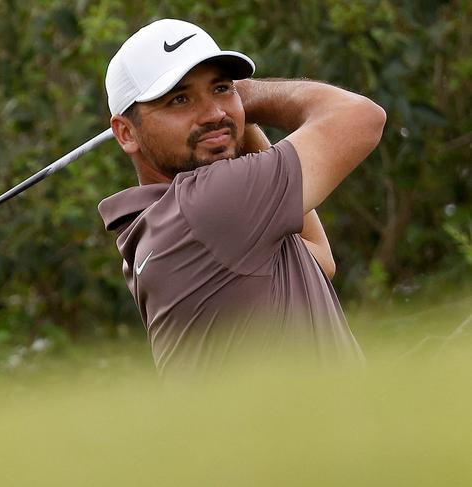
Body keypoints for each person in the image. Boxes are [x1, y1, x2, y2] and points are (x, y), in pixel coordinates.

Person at [98, 19, 386, 377]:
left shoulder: (155, 226)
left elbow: (317, 258)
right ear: (126, 133)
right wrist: (247, 97)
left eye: (221, 88)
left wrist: (232, 118)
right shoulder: (207, 205)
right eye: (180, 99)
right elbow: (361, 117)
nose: (214, 112)